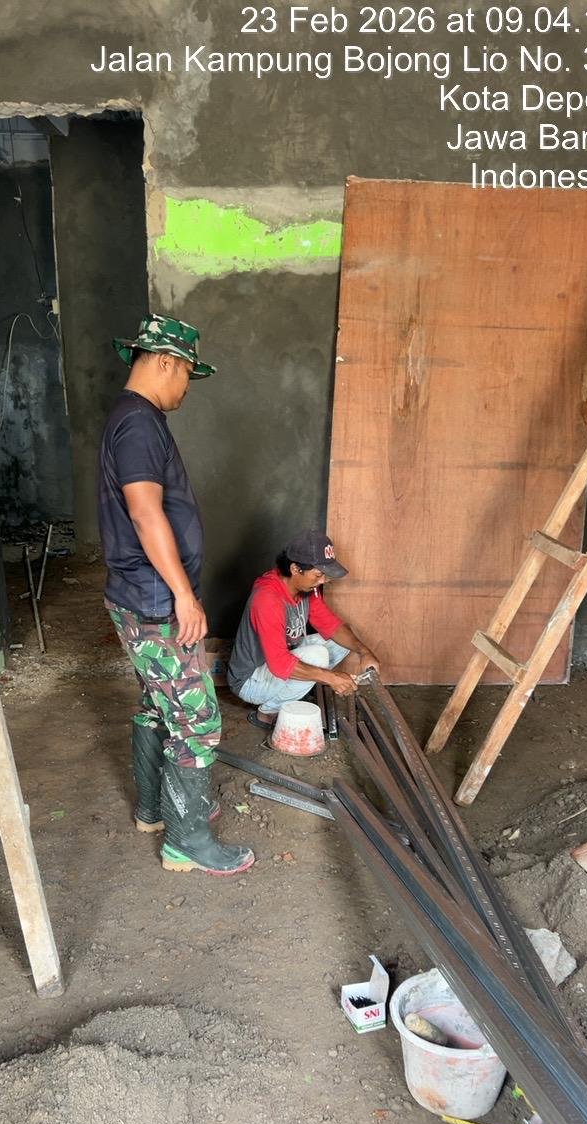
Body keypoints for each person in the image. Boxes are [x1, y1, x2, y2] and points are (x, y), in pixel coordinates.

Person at [98, 313, 254, 876]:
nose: (187, 387)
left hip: (139, 594)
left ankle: (153, 810)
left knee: (158, 703)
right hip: (156, 600)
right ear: (167, 362)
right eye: (188, 373)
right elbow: (145, 512)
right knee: (197, 721)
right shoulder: (139, 423)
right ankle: (186, 841)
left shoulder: (132, 417)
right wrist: (184, 596)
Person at [227, 529, 381, 727]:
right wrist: (332, 678)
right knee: (318, 655)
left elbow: (330, 624)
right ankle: (267, 713)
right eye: (318, 574)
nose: (323, 580)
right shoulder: (267, 599)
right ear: (295, 569)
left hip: (279, 661)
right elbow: (280, 664)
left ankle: (295, 687)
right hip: (251, 681)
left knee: (343, 640)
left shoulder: (306, 587)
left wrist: (364, 651)